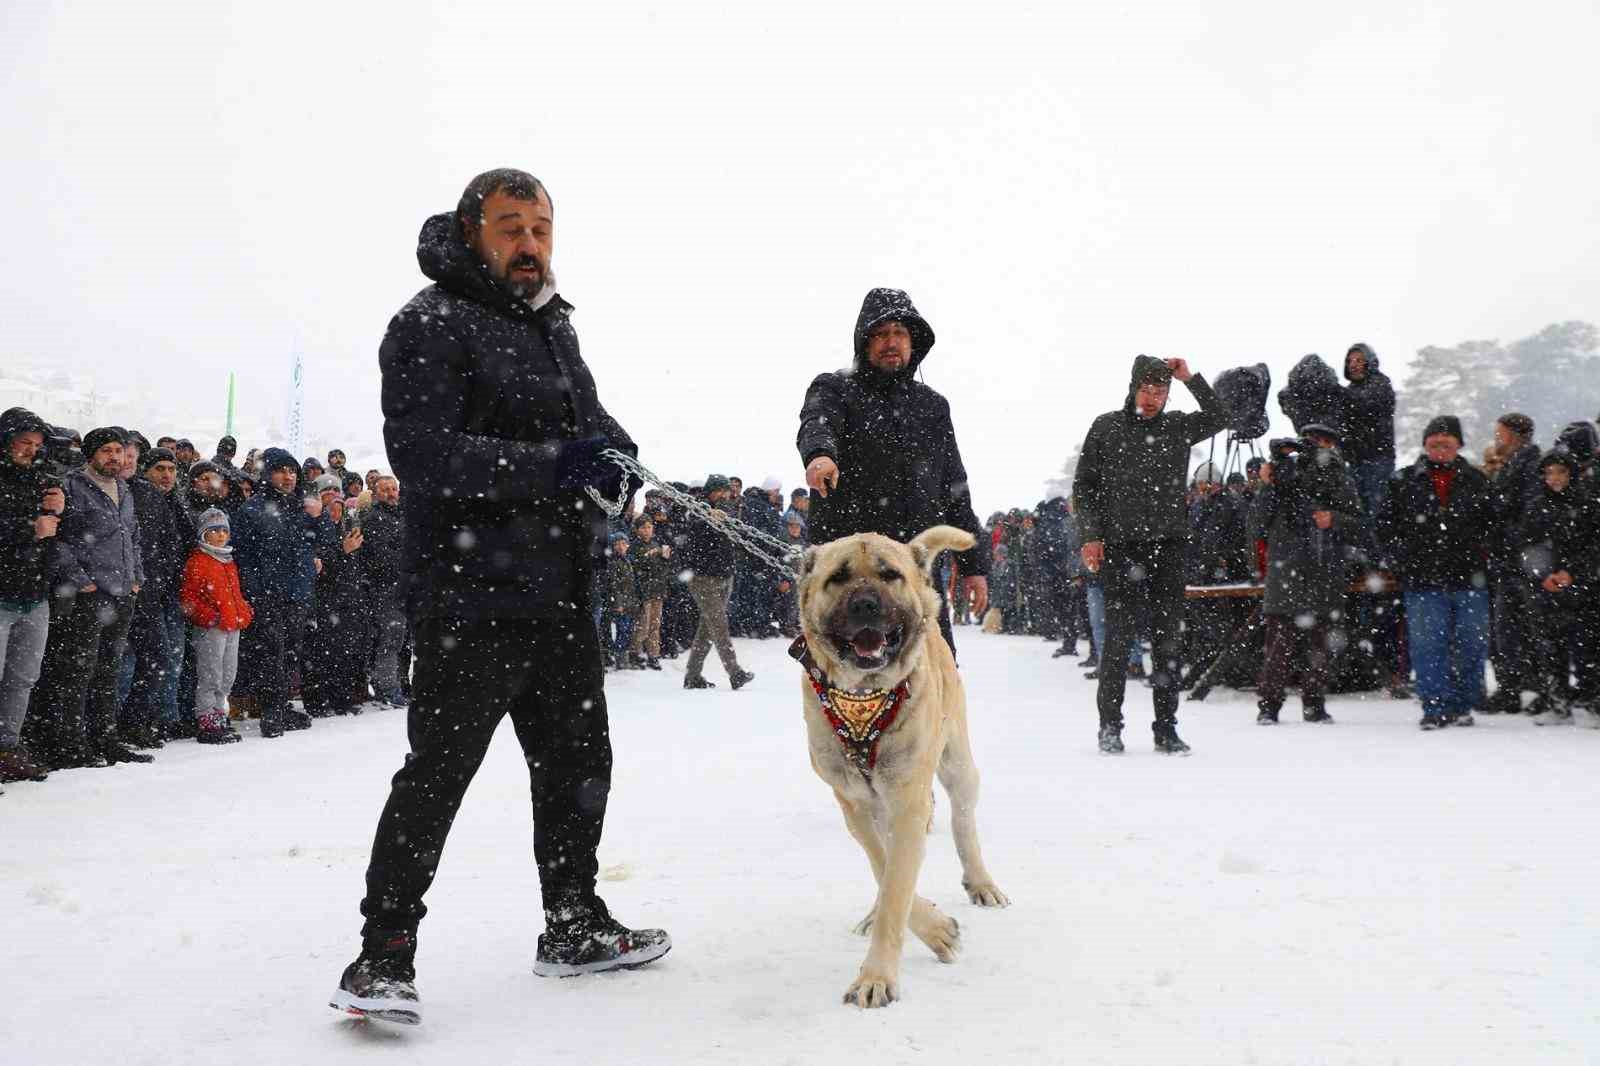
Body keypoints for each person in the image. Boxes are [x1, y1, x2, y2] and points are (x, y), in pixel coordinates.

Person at [334, 168, 667, 1025]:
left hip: (561, 592)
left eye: (542, 228)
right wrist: (561, 465)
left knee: (578, 767)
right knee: (439, 775)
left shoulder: (554, 325)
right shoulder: (427, 323)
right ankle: (383, 955)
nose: (529, 244)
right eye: (512, 226)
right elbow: (425, 455)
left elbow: (592, 424)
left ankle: (572, 920)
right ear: (474, 232)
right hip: (469, 594)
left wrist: (617, 457)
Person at [797, 288, 989, 653]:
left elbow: (955, 491)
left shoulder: (932, 406)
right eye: (881, 333)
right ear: (864, 342)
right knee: (845, 688)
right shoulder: (835, 388)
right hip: (850, 576)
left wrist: (973, 565)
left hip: (913, 578)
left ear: (913, 343)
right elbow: (816, 422)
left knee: (936, 680)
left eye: (900, 333)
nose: (891, 342)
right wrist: (820, 454)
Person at [1072, 356, 1226, 755]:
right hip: (1122, 551)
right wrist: (1091, 535)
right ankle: (1110, 726)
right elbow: (1085, 486)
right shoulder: (1107, 427)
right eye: (1147, 389)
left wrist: (1190, 378)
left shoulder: (1176, 427)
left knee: (1167, 644)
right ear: (1133, 388)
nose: (1154, 397)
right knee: (1119, 642)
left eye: (1161, 391)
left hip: (1169, 548)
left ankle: (1166, 727)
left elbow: (1219, 416)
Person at [1377, 416, 1495, 729]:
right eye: (1434, 443)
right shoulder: (1402, 481)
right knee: (1429, 645)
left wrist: (1485, 553)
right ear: (1424, 445)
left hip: (1470, 577)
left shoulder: (1477, 481)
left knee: (1472, 643)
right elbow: (1384, 528)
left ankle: (1462, 703)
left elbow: (1495, 526)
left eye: (1447, 442)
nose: (1440, 448)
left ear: (1459, 445)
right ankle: (1434, 705)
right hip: (1422, 579)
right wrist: (1403, 560)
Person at [1251, 427, 1363, 725]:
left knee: (1320, 645)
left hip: (1324, 568)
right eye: (1312, 443)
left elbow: (1360, 525)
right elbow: (1256, 526)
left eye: (1324, 443)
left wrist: (1335, 519)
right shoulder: (1281, 474)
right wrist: (1266, 485)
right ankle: (1269, 705)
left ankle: (1314, 702)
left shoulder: (1341, 476)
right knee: (1279, 646)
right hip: (1286, 570)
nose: (1318, 449)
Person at [231, 447, 318, 737]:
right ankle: (270, 710)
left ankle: (281, 704)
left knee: (291, 652)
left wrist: (308, 576)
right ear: (268, 474)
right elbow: (244, 556)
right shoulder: (252, 509)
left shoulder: (298, 506)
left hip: (297, 593)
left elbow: (309, 546)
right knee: (271, 653)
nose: (288, 476)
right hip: (267, 594)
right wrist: (257, 592)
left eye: (292, 471)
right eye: (282, 470)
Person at [0, 408, 63, 783]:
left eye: (36, 444)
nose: (30, 450)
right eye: (24, 442)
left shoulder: (42, 480)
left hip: (34, 593)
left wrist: (57, 511)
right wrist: (30, 527)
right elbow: (30, 531)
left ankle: (8, 747)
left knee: (23, 678)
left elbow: (54, 536)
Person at [1515, 451, 1600, 725]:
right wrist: (1543, 575)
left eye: (1561, 472)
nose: (1554, 479)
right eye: (1549, 472)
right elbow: (1526, 548)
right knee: (1550, 648)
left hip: (1585, 589)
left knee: (1588, 648)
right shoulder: (1535, 506)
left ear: (1572, 474)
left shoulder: (1588, 505)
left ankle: (1592, 703)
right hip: (1546, 590)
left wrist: (1572, 573)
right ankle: (1558, 704)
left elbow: (1594, 548)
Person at [124, 447, 195, 745]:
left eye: (171, 470)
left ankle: (163, 718)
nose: (166, 476)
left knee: (169, 660)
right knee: (132, 662)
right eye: (160, 469)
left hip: (170, 594)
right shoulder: (135, 500)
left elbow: (182, 547)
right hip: (141, 593)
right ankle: (127, 720)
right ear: (145, 470)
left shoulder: (177, 505)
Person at [1485, 413, 1541, 714]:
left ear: (1515, 435)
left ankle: (1517, 688)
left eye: (1501, 433)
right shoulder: (1516, 464)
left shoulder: (1529, 466)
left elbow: (1529, 513)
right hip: (1510, 558)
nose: (1497, 439)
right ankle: (1515, 686)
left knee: (1515, 627)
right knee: (1509, 628)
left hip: (1519, 560)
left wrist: (1505, 536)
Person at [179, 508, 251, 744]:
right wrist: (210, 617)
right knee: (211, 673)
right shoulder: (198, 561)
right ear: (203, 534)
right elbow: (189, 598)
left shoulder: (228, 561)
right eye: (214, 531)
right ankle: (206, 716)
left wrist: (243, 610)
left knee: (228, 673)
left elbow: (235, 593)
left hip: (232, 624)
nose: (220, 535)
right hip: (212, 627)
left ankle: (220, 714)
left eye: (223, 530)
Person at [681, 475, 755, 690]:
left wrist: (727, 516)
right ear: (712, 491)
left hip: (724, 575)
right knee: (719, 626)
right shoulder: (696, 507)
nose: (725, 494)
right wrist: (709, 519)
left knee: (707, 628)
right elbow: (690, 529)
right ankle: (735, 672)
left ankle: (692, 675)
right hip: (703, 578)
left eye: (727, 490)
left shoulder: (729, 507)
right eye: (722, 490)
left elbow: (738, 532)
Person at [362, 475, 408, 706]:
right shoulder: (374, 518)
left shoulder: (402, 515)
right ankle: (388, 689)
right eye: (386, 490)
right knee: (389, 640)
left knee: (401, 641)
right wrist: (410, 558)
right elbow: (381, 557)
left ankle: (397, 685)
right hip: (385, 589)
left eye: (394, 488)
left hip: (404, 587)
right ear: (376, 493)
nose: (392, 493)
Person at [1341, 343, 1396, 515]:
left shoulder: (1380, 383)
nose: (1353, 364)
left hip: (1378, 459)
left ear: (1370, 362)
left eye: (1359, 360)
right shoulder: (1349, 391)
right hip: (1356, 461)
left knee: (1377, 511)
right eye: (1350, 361)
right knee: (1358, 512)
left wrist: (1336, 392)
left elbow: (1365, 403)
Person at [627, 514, 671, 669]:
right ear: (638, 530)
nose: (647, 530)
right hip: (643, 592)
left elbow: (663, 569)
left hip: (657, 590)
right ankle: (635, 653)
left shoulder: (656, 543)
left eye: (649, 527)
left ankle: (654, 654)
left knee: (655, 625)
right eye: (644, 527)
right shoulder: (634, 546)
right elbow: (635, 567)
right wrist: (650, 556)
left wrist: (665, 558)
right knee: (642, 625)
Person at [602, 532, 640, 669]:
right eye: (617, 544)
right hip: (620, 604)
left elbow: (631, 585)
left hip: (629, 602)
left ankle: (624, 657)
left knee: (628, 630)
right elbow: (614, 585)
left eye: (623, 543)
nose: (620, 546)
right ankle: (620, 659)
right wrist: (618, 604)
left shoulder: (627, 561)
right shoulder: (613, 563)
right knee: (622, 630)